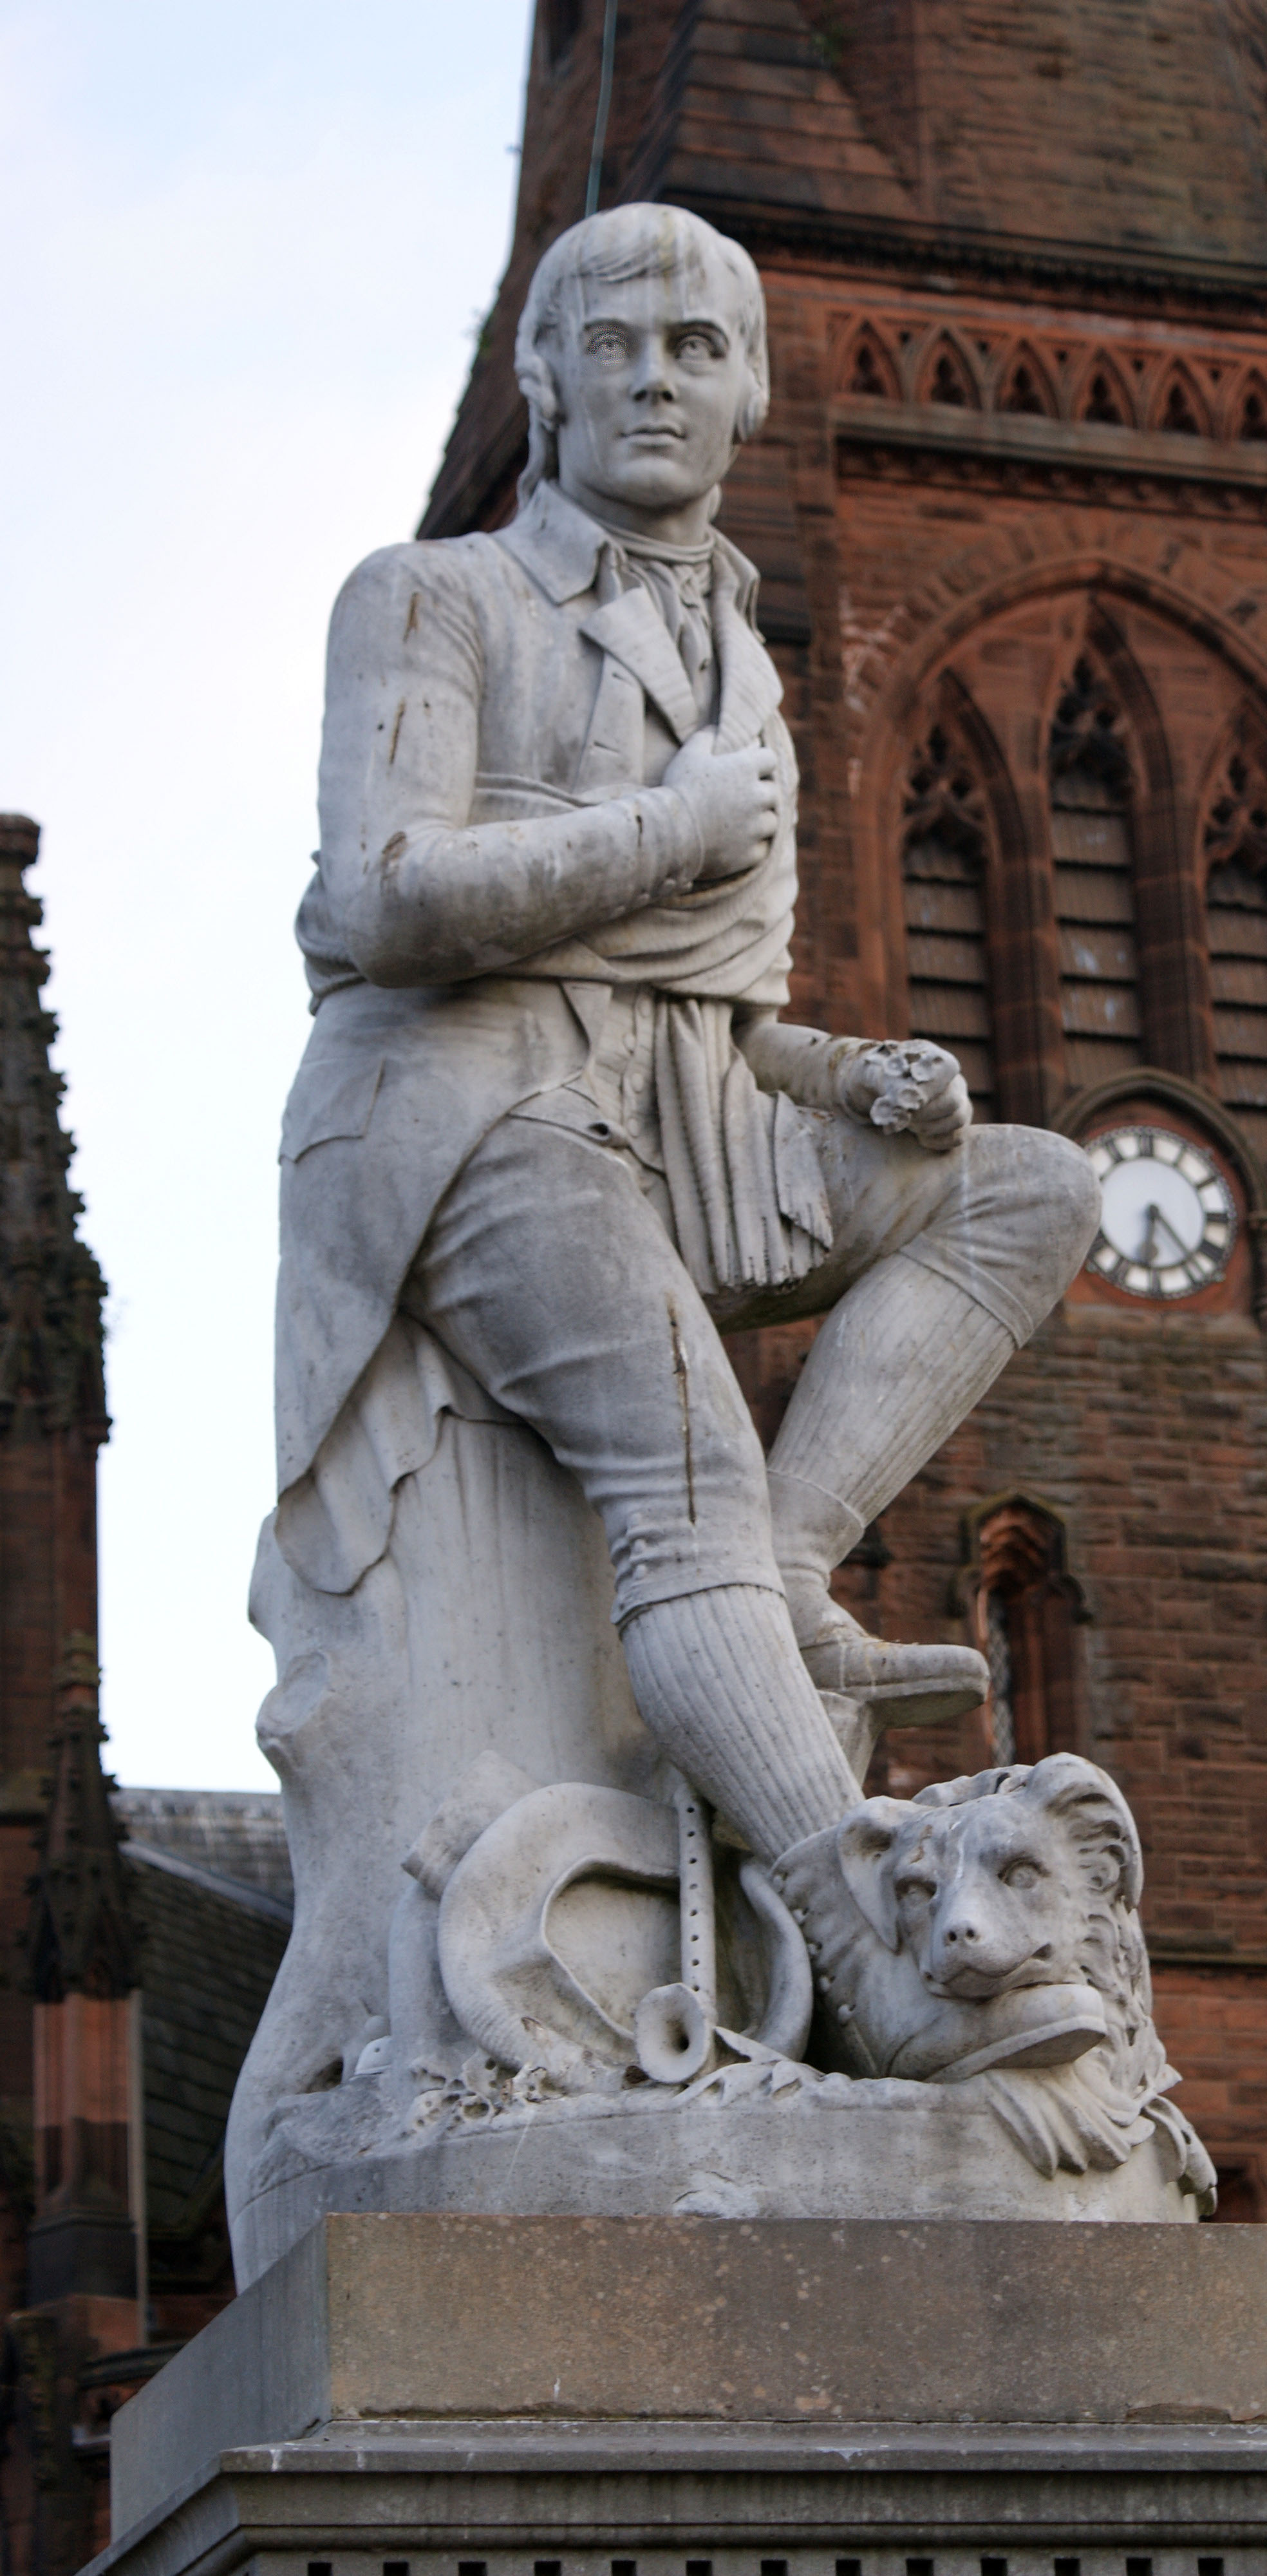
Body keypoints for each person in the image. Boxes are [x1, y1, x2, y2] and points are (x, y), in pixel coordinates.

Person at [276, 202, 1099, 1870]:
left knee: (1034, 1188)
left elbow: (718, 1015)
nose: (656, 378)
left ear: (750, 395)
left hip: (684, 1122)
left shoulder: (743, 672)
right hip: (474, 1108)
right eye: (615, 344)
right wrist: (672, 829)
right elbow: (383, 901)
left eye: (696, 346)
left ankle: (788, 1571)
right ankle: (854, 1907)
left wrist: (851, 1075)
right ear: (546, 380)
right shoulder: (430, 597)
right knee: (686, 1465)